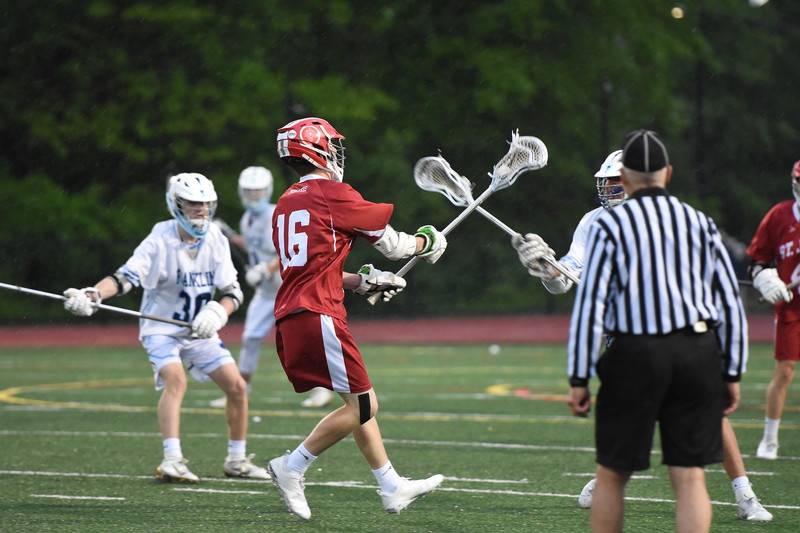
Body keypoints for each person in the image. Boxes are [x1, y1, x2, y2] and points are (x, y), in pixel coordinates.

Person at [514, 150, 772, 521]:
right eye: (605, 182)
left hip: (680, 333)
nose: (608, 189)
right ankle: (607, 479)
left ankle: (745, 494)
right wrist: (546, 268)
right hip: (627, 338)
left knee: (707, 415)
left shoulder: (674, 218)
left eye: (615, 181)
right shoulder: (594, 221)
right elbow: (567, 277)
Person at [265, 117, 446, 521]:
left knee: (356, 400)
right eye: (332, 146)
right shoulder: (332, 193)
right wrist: (428, 241)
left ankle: (391, 485)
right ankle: (291, 466)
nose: (337, 153)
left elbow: (311, 267)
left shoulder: (287, 201)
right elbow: (395, 246)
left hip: (295, 313)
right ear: (317, 151)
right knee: (365, 404)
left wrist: (361, 282)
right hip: (318, 313)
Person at [63, 172, 269, 484]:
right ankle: (172, 459)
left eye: (205, 204)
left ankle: (236, 460)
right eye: (193, 204)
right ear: (175, 204)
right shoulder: (159, 238)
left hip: (199, 330)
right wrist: (93, 294)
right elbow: (124, 277)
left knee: (238, 387)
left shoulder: (215, 237)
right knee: (176, 380)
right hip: (161, 329)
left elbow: (233, 292)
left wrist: (218, 312)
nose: (201, 211)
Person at [209, 166, 332, 410]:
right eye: (249, 191)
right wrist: (229, 235)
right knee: (251, 338)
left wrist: (266, 269)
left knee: (299, 340)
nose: (254, 196)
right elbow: (255, 246)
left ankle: (321, 390)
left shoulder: (277, 213)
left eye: (258, 191)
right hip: (266, 292)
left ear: (267, 190)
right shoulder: (247, 218)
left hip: (288, 288)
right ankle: (240, 390)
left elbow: (291, 247)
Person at [746, 159, 800, 461]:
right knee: (784, 372)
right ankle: (769, 439)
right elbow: (757, 261)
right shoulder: (780, 215)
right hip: (791, 306)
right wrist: (766, 279)